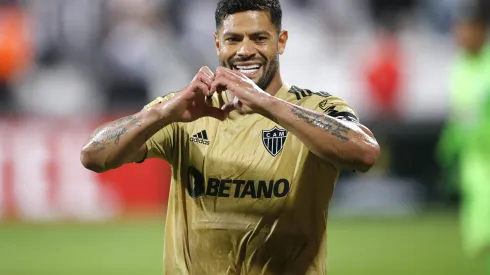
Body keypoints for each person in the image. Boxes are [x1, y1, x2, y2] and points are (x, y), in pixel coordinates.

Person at [80, 0, 380, 274]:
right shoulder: (187, 110)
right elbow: (93, 155)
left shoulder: (315, 108)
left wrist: (266, 103)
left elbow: (365, 153)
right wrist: (162, 113)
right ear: (217, 44)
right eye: (233, 39)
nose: (245, 50)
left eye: (259, 38)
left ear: (282, 41)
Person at [437, 3, 490, 273]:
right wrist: (448, 150)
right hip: (473, 165)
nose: (462, 34)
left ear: (482, 30)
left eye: (468, 28)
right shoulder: (459, 68)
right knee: (480, 239)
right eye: (459, 29)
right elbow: (459, 117)